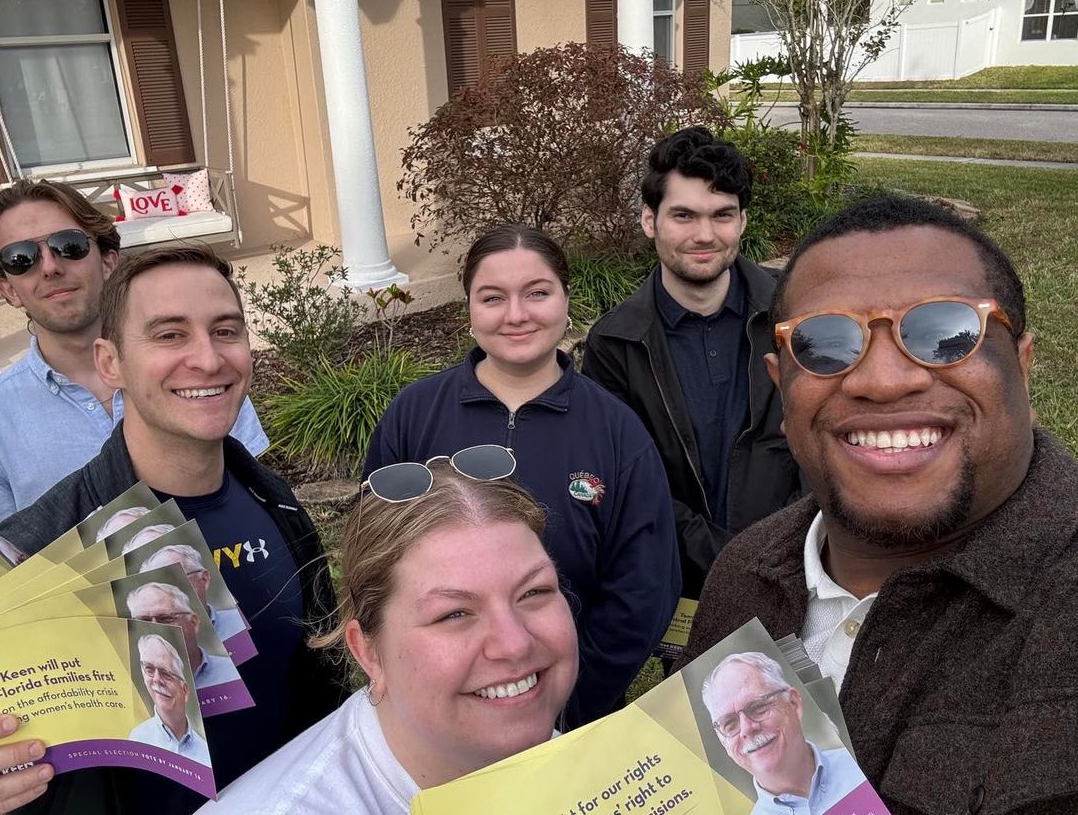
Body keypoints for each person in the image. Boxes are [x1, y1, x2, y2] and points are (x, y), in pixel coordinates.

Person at [0, 245, 345, 815]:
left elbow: (318, 678)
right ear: (110, 362)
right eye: (169, 335)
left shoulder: (272, 498)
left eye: (226, 330)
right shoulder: (36, 548)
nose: (208, 359)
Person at [679, 196, 1078, 812]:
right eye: (825, 344)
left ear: (1022, 368)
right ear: (781, 388)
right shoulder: (742, 574)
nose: (883, 380)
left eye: (946, 335)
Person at [364, 225, 680, 728]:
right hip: (443, 705)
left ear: (565, 298)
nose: (516, 314)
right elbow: (376, 562)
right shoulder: (414, 416)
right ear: (469, 308)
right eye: (493, 297)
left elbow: (644, 586)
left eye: (537, 293)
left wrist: (566, 700)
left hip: (576, 712)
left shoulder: (616, 429)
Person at [198, 461, 579, 814]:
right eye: (454, 614)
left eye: (534, 592)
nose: (515, 644)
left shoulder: (608, 775)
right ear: (367, 652)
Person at [0, 179, 268, 543]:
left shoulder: (194, 377)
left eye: (69, 246)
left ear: (109, 261)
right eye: (21, 258)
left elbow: (250, 499)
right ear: (8, 289)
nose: (49, 267)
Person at [582, 127, 802, 598]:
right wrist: (728, 561)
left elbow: (827, 432)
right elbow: (628, 480)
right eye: (683, 215)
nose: (705, 235)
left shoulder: (797, 310)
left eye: (722, 215)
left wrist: (792, 547)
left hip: (802, 563)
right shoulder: (615, 344)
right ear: (649, 220)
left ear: (742, 221)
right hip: (687, 582)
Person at [701, 652, 861, 814]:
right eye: (730, 723)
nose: (747, 728)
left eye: (758, 707)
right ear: (724, 743)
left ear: (794, 703)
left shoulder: (856, 765)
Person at [124, 582, 239, 690]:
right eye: (143, 621)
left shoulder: (232, 673)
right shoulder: (129, 688)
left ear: (193, 623)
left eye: (166, 618)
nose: (155, 628)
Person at [128, 634, 212, 768]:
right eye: (149, 669)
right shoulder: (137, 740)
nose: (156, 679)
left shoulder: (205, 752)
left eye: (166, 673)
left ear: (184, 690)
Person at [141, 544, 242, 641]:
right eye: (158, 588)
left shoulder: (239, 622)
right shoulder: (152, 647)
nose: (169, 593)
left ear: (204, 579)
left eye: (176, 581)